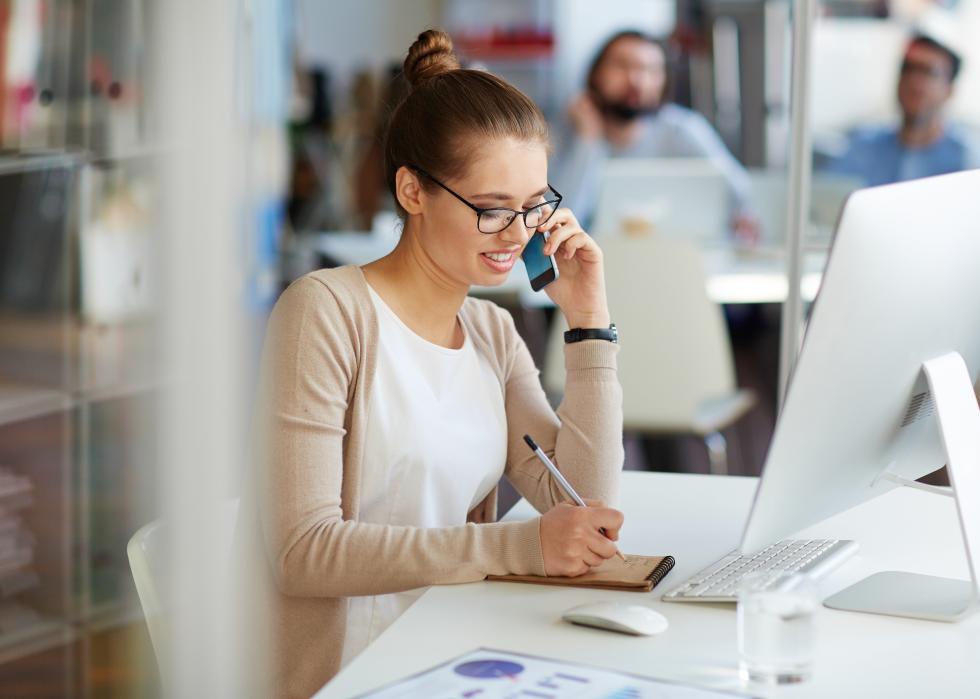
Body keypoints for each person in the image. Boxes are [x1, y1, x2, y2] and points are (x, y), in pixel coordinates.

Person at [240, 30, 626, 698]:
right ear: (413, 191)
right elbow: (301, 552)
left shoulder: (489, 331)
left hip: (453, 662)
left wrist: (588, 322)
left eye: (535, 207)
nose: (519, 234)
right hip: (344, 678)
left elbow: (584, 501)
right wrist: (517, 546)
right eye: (492, 209)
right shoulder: (325, 313)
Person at [550, 29, 755, 238]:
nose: (636, 79)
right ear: (596, 74)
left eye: (650, 69)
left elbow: (741, 195)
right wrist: (588, 140)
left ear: (663, 81)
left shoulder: (683, 130)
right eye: (622, 66)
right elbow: (555, 220)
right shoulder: (563, 135)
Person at [825, 34, 980, 186]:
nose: (914, 81)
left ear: (949, 91)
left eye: (928, 72)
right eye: (908, 69)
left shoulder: (968, 163)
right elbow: (830, 200)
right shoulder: (863, 148)